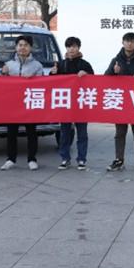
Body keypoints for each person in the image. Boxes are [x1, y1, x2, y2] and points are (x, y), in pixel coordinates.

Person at [104, 32, 134, 172]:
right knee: (120, 133)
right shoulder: (116, 60)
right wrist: (114, 72)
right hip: (121, 102)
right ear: (123, 42)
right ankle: (119, 160)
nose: (130, 44)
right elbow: (105, 78)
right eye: (127, 41)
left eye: (132, 41)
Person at [0, 35, 44, 170]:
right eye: (20, 45)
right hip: (13, 104)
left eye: (25, 45)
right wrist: (2, 73)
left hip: (29, 102)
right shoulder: (9, 64)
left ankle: (32, 159)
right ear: (16, 47)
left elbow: (43, 84)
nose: (22, 47)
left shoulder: (37, 65)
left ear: (30, 48)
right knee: (11, 132)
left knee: (31, 132)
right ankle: (10, 159)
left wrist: (33, 80)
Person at [50, 36, 93, 171]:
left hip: (81, 103)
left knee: (82, 134)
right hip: (65, 104)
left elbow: (94, 81)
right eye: (69, 46)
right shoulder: (61, 64)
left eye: (74, 46)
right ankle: (65, 158)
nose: (71, 49)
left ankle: (82, 159)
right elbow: (52, 83)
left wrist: (86, 74)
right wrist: (52, 73)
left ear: (78, 48)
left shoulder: (85, 64)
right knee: (64, 133)